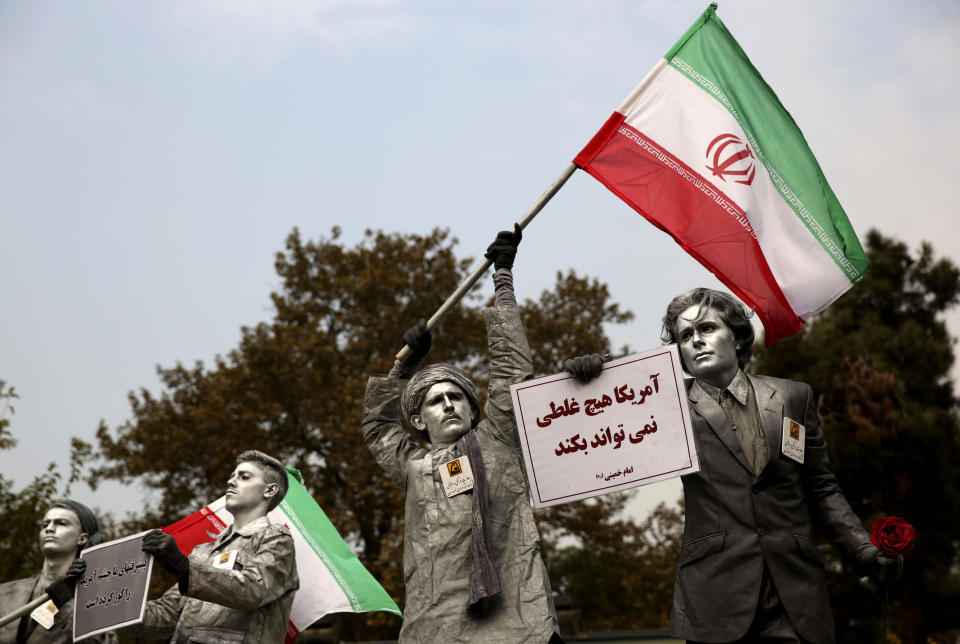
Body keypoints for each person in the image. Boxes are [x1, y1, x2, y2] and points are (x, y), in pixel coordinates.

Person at [565, 288, 902, 644]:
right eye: (685, 336)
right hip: (715, 596)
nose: (696, 341)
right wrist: (590, 382)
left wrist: (863, 549)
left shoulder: (793, 396)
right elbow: (596, 425)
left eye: (707, 329)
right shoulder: (665, 404)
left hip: (795, 595)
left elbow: (821, 486)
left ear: (738, 338)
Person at [362, 226, 561, 643]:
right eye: (436, 401)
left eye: (457, 396)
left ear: (474, 408)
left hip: (517, 624)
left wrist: (503, 279)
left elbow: (510, 370)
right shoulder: (413, 467)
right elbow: (377, 427)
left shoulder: (497, 440)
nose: (449, 404)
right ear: (418, 421)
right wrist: (404, 369)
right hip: (434, 627)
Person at [122, 450, 298, 644]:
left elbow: (252, 589)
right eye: (232, 476)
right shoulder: (202, 551)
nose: (231, 481)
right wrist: (101, 601)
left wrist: (182, 566)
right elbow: (164, 616)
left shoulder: (277, 540)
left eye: (244, 477)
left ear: (269, 490)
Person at [0, 499, 117, 644]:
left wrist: (66, 603)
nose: (49, 528)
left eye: (61, 523)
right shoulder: (4, 592)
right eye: (45, 524)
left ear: (82, 538)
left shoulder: (94, 599)